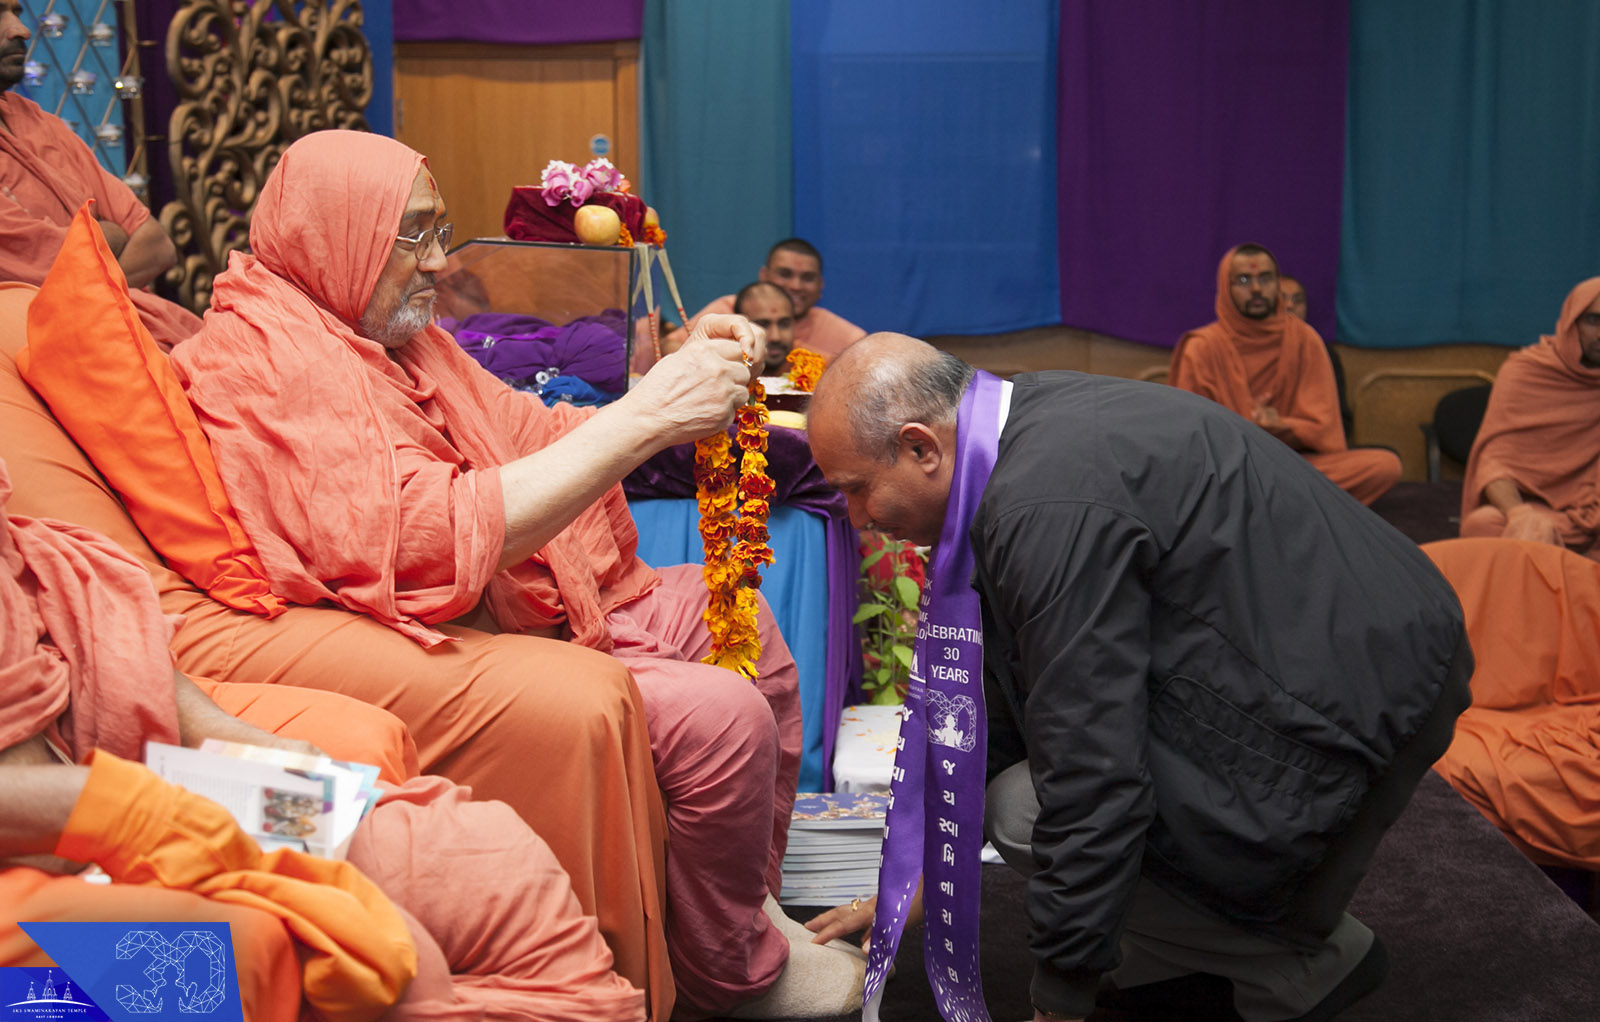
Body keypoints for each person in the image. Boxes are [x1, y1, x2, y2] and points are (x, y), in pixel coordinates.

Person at [168, 130, 863, 1019]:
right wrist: (647, 417)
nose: (438, 263)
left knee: (736, 618)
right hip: (438, 632)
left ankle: (733, 911)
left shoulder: (396, 336)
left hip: (514, 594)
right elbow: (420, 538)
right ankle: (732, 971)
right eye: (413, 236)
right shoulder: (265, 363)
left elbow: (529, 429)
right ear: (336, 235)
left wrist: (673, 380)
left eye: (440, 231)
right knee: (718, 715)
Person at [805, 334, 1472, 1022]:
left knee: (1028, 811)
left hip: (1364, 687)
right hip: (1321, 645)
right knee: (1051, 786)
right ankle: (1174, 965)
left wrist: (1060, 1001)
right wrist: (913, 887)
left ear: (921, 447)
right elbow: (1007, 699)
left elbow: (1092, 766)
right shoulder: (1015, 429)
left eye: (856, 489)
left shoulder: (1042, 508)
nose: (858, 518)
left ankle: (1303, 970)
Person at [0, 454, 647, 1020]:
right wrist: (128, 812)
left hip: (134, 800)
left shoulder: (28, 551)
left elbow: (131, 657)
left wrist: (239, 744)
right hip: (70, 859)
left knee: (475, 849)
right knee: (244, 954)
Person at [0, 1, 199, 347]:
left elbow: (157, 244)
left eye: (17, 12)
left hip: (152, 331)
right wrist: (112, 233)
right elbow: (55, 273)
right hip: (68, 350)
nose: (22, 30)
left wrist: (92, 259)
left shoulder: (38, 122)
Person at [1169, 244, 1401, 505]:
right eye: (1243, 280)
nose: (1256, 289)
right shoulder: (1201, 348)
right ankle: (1288, 505)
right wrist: (1248, 427)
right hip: (1232, 469)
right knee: (1192, 482)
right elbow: (1190, 434)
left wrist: (1284, 426)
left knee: (1384, 465)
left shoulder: (1305, 340)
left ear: (1277, 283)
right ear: (1225, 287)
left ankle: (1263, 505)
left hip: (1294, 463)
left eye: (1265, 278)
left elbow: (1323, 428)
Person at [1459, 277, 1600, 560]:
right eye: (1594, 320)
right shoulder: (1525, 371)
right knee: (1483, 525)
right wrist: (1520, 514)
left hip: (1593, 517)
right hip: (1534, 510)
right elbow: (1495, 462)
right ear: (1572, 322)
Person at [671, 239, 866, 362]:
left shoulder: (848, 336)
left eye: (807, 278)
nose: (796, 286)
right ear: (763, 276)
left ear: (820, 285)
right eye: (785, 274)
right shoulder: (728, 310)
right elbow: (671, 346)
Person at [734, 281, 796, 375]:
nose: (775, 337)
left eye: (784, 324)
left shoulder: (812, 368)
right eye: (763, 325)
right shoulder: (725, 369)